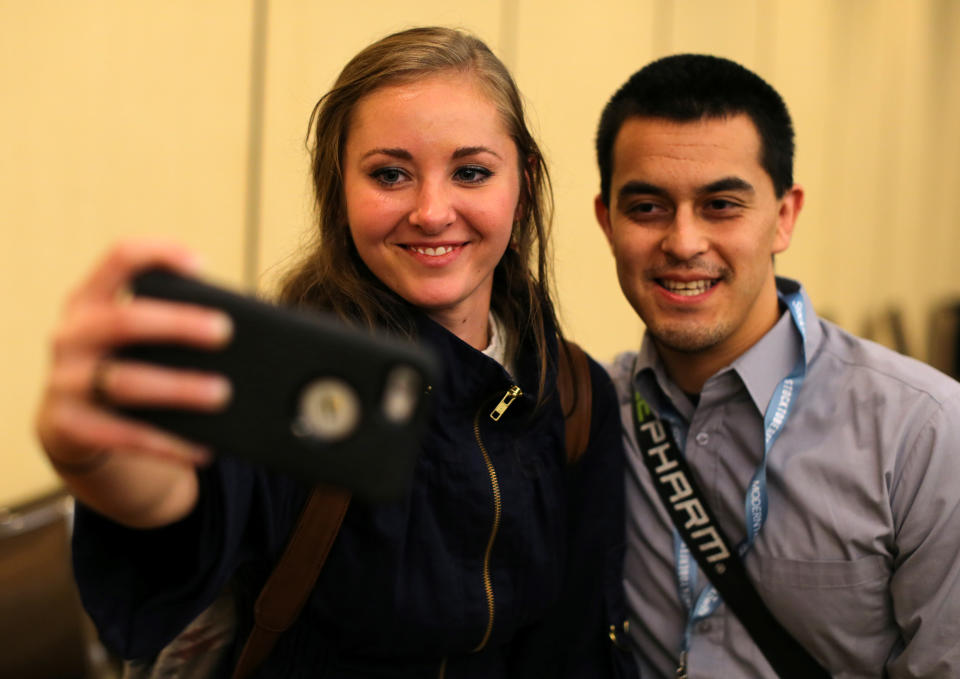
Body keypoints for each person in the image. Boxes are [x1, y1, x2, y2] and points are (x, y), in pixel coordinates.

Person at [35, 27, 636, 678]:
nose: (432, 211)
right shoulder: (289, 376)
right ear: (338, 190)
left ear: (521, 187)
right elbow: (174, 513)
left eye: (471, 171)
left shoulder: (573, 393)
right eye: (389, 174)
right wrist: (93, 452)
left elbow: (575, 649)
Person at [593, 53, 960, 678]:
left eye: (721, 206)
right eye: (648, 207)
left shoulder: (923, 433)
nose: (683, 243)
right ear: (607, 221)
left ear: (784, 217)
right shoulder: (590, 416)